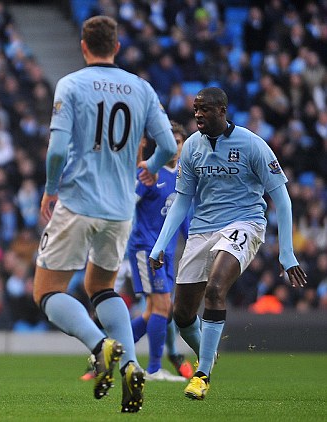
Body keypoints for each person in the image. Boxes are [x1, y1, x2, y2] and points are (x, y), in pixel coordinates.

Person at [32, 15, 177, 413]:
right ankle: (131, 363)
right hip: (120, 209)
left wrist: (49, 189)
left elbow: (58, 150)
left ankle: (101, 346)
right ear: (116, 46)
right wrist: (148, 166)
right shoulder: (141, 88)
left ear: (84, 46)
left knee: (46, 291)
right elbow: (166, 145)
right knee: (102, 287)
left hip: (79, 201)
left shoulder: (72, 84)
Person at [149, 87, 307, 400]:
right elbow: (182, 202)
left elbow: (282, 200)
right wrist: (159, 245)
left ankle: (202, 373)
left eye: (204, 110)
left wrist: (287, 254)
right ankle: (207, 352)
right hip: (202, 230)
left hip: (245, 223)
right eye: (195, 110)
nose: (197, 115)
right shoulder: (192, 146)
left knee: (215, 289)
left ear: (222, 110)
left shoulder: (252, 145)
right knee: (181, 314)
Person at [127, 122, 193, 382]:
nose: (176, 146)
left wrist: (193, 244)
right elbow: (127, 203)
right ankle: (154, 369)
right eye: (172, 141)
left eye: (180, 141)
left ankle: (110, 352)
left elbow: (185, 216)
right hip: (145, 248)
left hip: (165, 254)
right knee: (162, 306)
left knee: (153, 311)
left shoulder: (184, 176)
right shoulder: (149, 174)